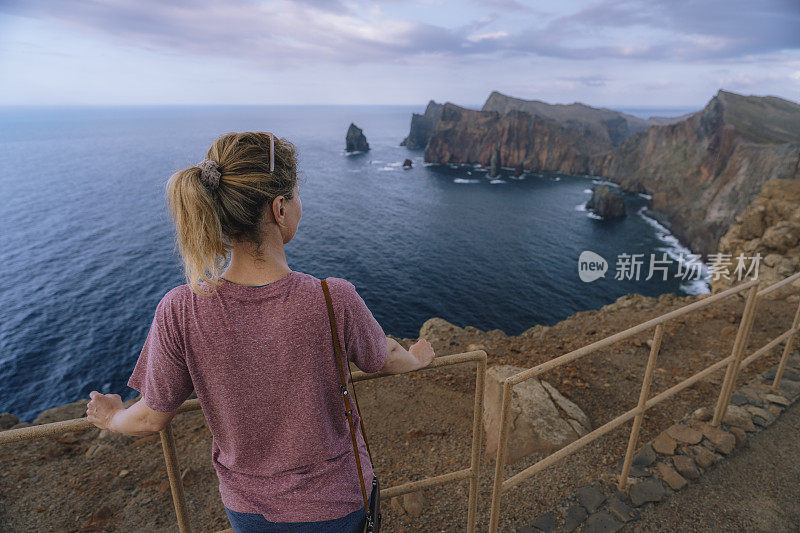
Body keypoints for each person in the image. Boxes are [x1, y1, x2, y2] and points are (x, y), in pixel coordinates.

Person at [85, 132, 436, 532]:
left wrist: (112, 417)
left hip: (247, 508)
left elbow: (150, 418)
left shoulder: (180, 308)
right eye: (297, 196)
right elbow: (383, 357)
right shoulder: (330, 297)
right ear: (280, 208)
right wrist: (417, 358)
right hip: (334, 504)